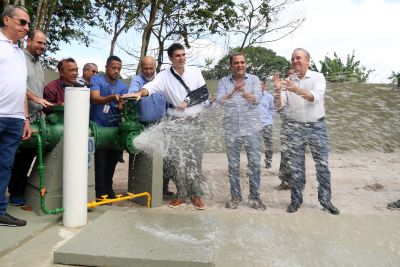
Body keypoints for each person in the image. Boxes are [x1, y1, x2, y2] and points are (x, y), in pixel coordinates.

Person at [124, 43, 208, 210]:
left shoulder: (195, 71)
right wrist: (140, 93)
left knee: (195, 162)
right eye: (178, 56)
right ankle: (181, 194)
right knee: (177, 161)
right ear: (171, 58)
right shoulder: (163, 76)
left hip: (196, 123)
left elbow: (203, 93)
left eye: (183, 55)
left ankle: (196, 195)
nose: (182, 58)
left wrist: (187, 101)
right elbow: (150, 87)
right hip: (176, 124)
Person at [274, 48, 340, 215]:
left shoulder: (318, 77)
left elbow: (313, 97)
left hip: (317, 127)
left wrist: (295, 89)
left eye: (298, 58)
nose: (295, 61)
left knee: (322, 166)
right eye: (293, 59)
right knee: (296, 167)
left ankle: (325, 200)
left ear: (308, 60)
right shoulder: (288, 81)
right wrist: (277, 90)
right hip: (294, 128)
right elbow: (279, 106)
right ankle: (296, 200)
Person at [8, 29, 54, 206]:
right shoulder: (19, 59)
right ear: (28, 41)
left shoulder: (39, 65)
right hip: (18, 118)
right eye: (39, 42)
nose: (42, 46)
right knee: (9, 159)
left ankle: (16, 193)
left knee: (25, 159)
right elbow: (17, 85)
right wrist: (34, 99)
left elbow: (38, 91)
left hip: (36, 120)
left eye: (44, 43)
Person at [216, 52, 266, 211]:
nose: (240, 65)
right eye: (236, 63)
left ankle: (255, 198)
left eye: (242, 62)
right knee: (233, 166)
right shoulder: (224, 81)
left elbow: (257, 99)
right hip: (231, 130)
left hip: (252, 129)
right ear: (230, 65)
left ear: (246, 64)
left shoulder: (254, 80)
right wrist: (232, 93)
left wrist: (243, 92)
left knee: (255, 165)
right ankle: (235, 196)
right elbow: (219, 101)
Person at [0, 5, 32, 227]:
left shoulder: (20, 53)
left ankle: (0, 212)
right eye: (22, 22)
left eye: (28, 24)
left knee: (5, 166)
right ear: (6, 20)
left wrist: (26, 117)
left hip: (15, 118)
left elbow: (21, 88)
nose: (26, 27)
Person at [128, 56, 173, 196]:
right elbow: (133, 94)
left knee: (165, 158)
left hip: (162, 125)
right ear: (141, 68)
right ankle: (141, 189)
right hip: (144, 126)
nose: (148, 71)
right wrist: (134, 95)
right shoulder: (136, 81)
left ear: (155, 67)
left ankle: (162, 188)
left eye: (151, 68)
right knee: (144, 159)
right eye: (145, 68)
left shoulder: (162, 81)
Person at [90, 56, 127, 200]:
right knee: (100, 162)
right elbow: (94, 98)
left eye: (119, 69)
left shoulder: (123, 87)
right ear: (106, 67)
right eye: (113, 68)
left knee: (112, 161)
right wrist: (111, 98)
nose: (116, 71)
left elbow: (122, 107)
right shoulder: (96, 80)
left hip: (114, 129)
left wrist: (121, 106)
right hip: (97, 128)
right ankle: (100, 193)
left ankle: (108, 188)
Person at [259, 79, 274, 169]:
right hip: (254, 125)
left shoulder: (269, 97)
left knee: (268, 144)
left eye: (261, 84)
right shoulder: (251, 96)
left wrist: (267, 117)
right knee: (253, 144)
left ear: (264, 86)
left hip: (266, 124)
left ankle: (268, 161)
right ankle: (253, 162)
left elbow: (273, 109)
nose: (259, 86)